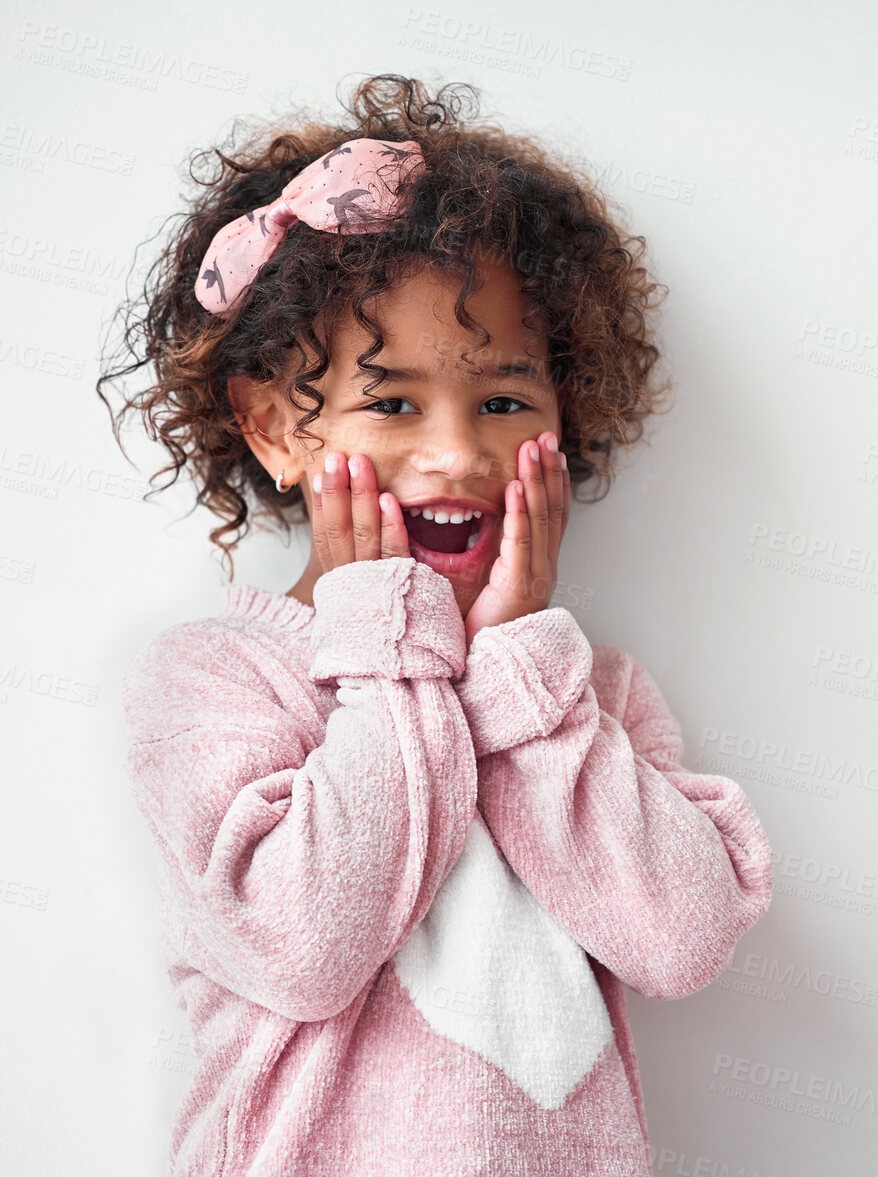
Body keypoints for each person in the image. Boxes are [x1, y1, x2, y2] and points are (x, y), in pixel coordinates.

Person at [98, 74, 773, 1176]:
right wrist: (388, 643)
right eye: (394, 401)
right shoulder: (215, 681)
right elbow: (305, 946)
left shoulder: (581, 693)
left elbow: (683, 943)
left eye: (504, 401)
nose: (458, 455)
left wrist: (518, 665)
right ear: (273, 429)